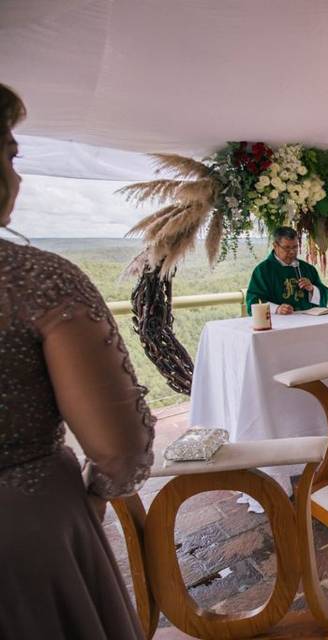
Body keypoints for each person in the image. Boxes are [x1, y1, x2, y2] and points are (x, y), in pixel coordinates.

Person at [0, 83, 154, 638]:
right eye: (11, 156)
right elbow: (120, 447)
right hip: (26, 542)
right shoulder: (36, 281)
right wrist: (95, 498)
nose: (17, 177)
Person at [244, 226, 328, 315]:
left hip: (307, 322)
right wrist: (277, 309)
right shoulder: (263, 271)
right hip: (278, 324)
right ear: (275, 246)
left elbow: (324, 293)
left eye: (295, 247)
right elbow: (253, 301)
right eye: (287, 248)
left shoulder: (307, 269)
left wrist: (312, 289)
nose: (292, 252)